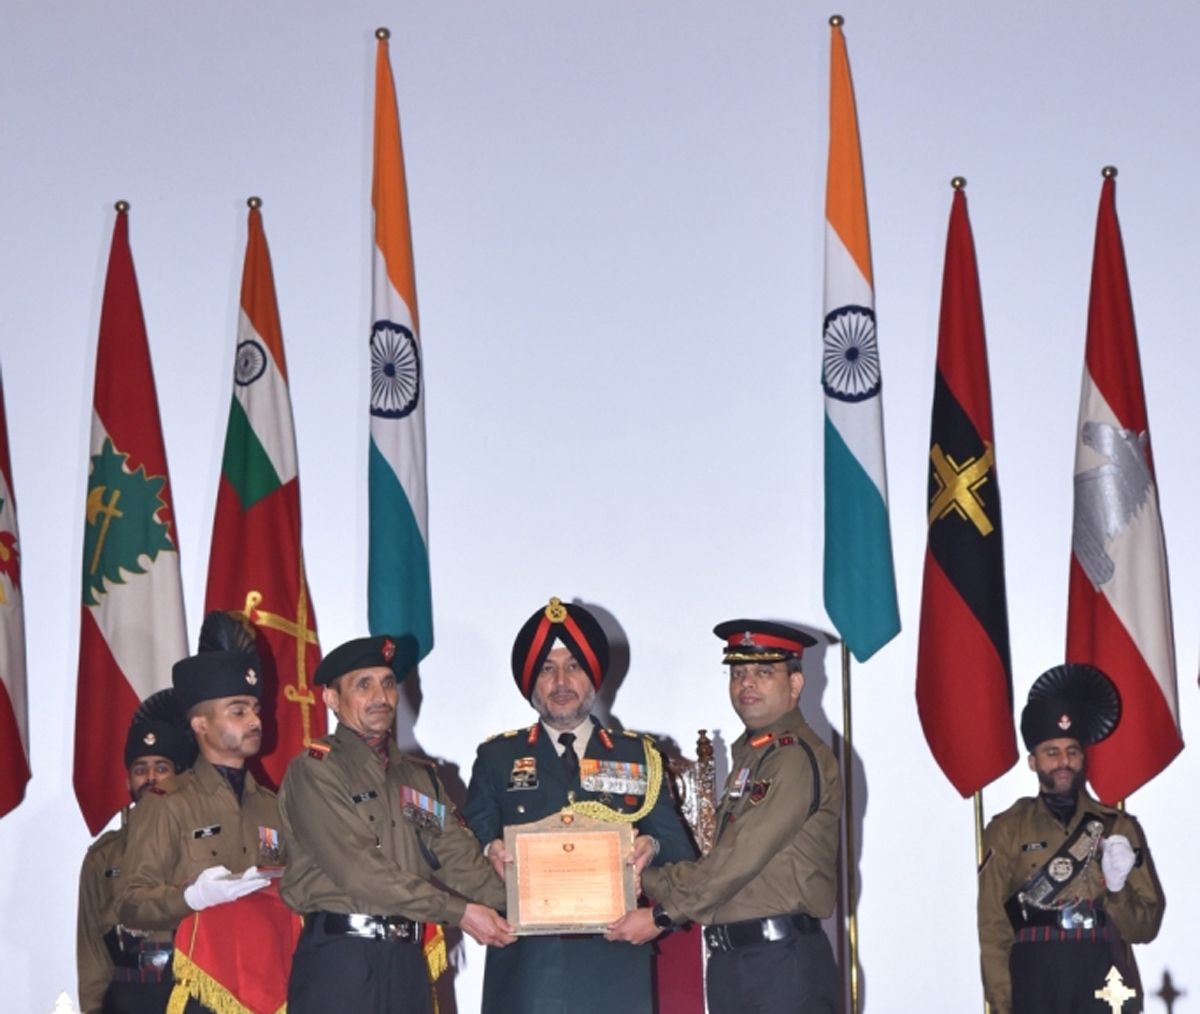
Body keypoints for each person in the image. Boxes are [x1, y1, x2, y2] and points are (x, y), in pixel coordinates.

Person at [463, 597, 696, 1014]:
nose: (561, 681)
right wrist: (489, 851)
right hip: (525, 967)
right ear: (531, 682)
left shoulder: (638, 756)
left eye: (573, 666)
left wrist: (651, 850)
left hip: (613, 963)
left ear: (594, 676)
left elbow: (678, 851)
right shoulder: (497, 758)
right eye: (547, 669)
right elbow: (465, 847)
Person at [609, 619, 842, 1014]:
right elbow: (720, 865)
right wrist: (632, 872)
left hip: (781, 968)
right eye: (738, 673)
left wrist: (661, 915)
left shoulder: (793, 758)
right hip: (738, 965)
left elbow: (737, 860)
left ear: (796, 685)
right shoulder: (754, 756)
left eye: (764, 672)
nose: (747, 683)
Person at [279, 634, 514, 1014]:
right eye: (363, 684)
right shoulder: (315, 771)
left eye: (388, 683)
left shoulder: (420, 778)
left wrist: (528, 905)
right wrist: (460, 913)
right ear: (332, 700)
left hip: (406, 961)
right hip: (342, 961)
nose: (381, 696)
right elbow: (359, 870)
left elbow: (458, 859)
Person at [117, 615, 284, 1012]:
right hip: (195, 988)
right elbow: (130, 903)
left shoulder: (273, 806)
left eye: (256, 709)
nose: (256, 720)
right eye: (238, 710)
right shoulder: (166, 802)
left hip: (269, 988)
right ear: (200, 723)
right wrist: (191, 896)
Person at [977, 664, 1165, 1014]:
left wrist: (1118, 887)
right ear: (1033, 762)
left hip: (1102, 969)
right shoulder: (1006, 829)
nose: (1064, 761)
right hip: (1036, 972)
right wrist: (1003, 1006)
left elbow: (1144, 928)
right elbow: (993, 928)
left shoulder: (1117, 827)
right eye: (1052, 752)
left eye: (1072, 750)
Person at [77, 690, 196, 1014]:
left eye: (161, 767)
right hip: (128, 996)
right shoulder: (104, 857)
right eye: (141, 769)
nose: (151, 777)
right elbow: (91, 950)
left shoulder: (200, 841)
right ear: (129, 781)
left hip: (190, 993)